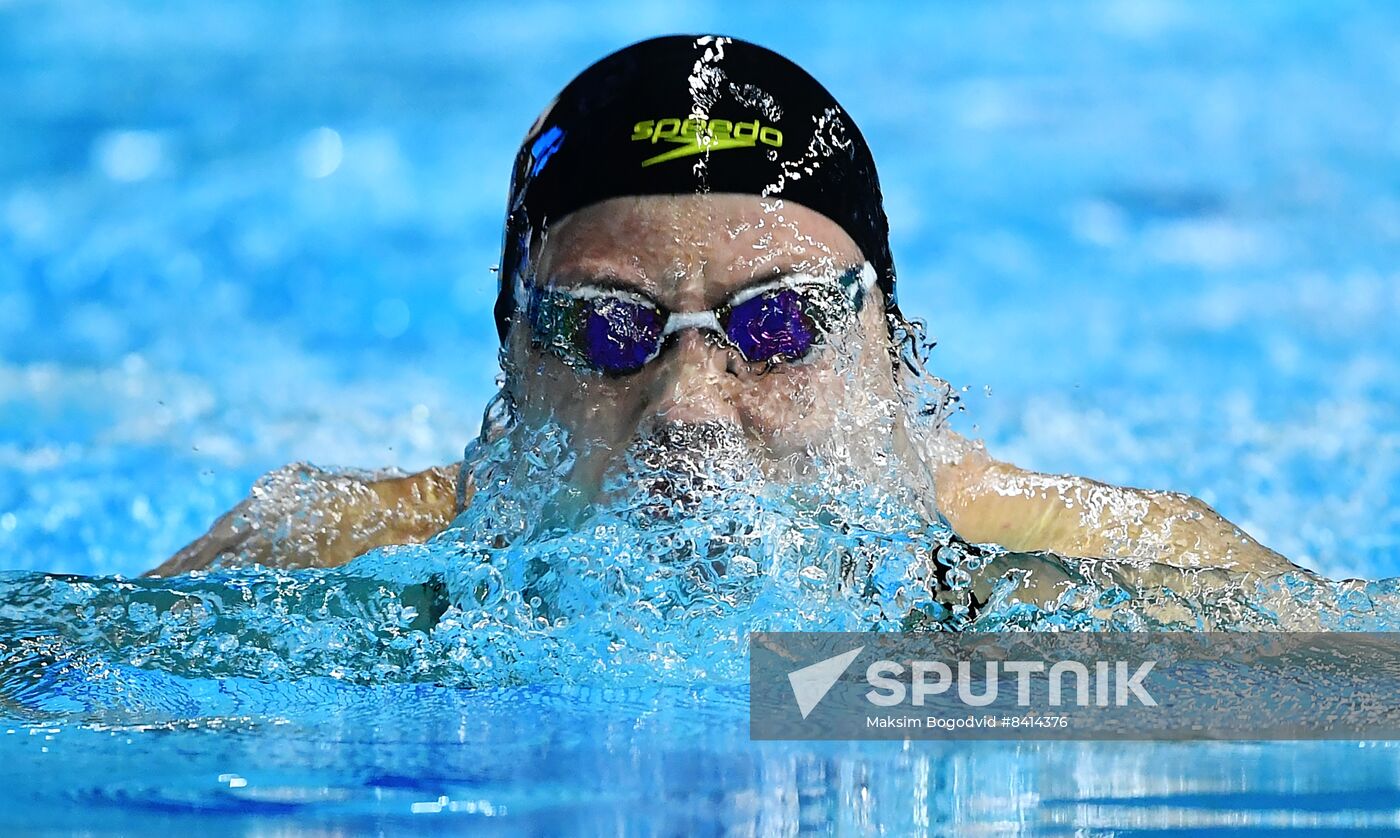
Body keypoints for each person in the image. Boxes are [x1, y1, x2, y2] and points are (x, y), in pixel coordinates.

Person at [148, 35, 1304, 603]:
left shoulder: (1093, 566)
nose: (686, 408)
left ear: (892, 357)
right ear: (511, 361)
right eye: (606, 329)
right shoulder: (332, 558)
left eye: (779, 326)